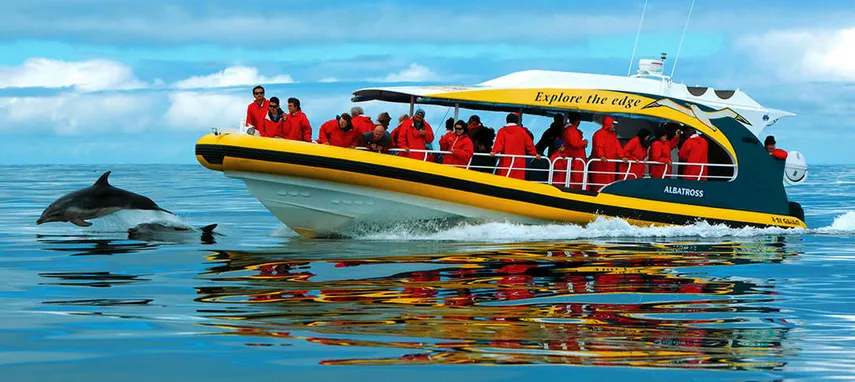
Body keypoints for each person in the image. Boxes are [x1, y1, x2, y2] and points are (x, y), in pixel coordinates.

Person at [490, 113, 540, 179]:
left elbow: (499, 145)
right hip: (519, 164)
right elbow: (529, 144)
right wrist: (535, 154)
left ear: (506, 120)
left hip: (505, 163)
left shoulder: (502, 131)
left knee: (504, 180)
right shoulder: (522, 131)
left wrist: (494, 152)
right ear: (517, 121)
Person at [590, 116, 627, 191]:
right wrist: (602, 156)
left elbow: (617, 147)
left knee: (609, 183)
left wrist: (622, 156)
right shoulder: (599, 134)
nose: (614, 126)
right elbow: (598, 146)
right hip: (601, 165)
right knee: (599, 183)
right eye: (613, 124)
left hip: (610, 165)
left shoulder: (612, 135)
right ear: (608, 124)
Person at [562, 112, 588, 189]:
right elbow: (574, 143)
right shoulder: (571, 130)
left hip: (575, 159)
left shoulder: (568, 129)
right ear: (577, 121)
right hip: (576, 160)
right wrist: (584, 142)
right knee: (578, 181)